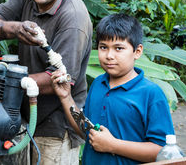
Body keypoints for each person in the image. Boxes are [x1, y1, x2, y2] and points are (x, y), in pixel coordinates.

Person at [0, 0, 92, 165]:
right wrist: (14, 28)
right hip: (24, 119)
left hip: (57, 126)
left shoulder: (73, 18)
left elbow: (60, 80)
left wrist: (2, 84)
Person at [51, 13, 175, 164]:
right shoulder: (98, 84)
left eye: (119, 48)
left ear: (137, 51)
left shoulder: (151, 94)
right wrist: (66, 97)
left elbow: (162, 151)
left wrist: (113, 145)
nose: (109, 55)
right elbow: (87, 131)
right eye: (103, 47)